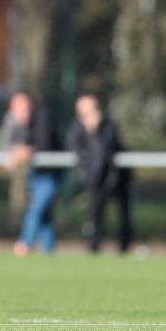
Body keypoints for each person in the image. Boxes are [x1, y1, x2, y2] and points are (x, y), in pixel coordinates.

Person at [67, 94, 133, 253]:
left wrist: (95, 132)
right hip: (95, 179)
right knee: (95, 213)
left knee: (124, 214)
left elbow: (106, 149)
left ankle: (124, 246)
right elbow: (74, 148)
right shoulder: (77, 128)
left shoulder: (108, 125)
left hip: (117, 177)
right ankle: (94, 246)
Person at [0, 92, 63, 257]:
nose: (23, 114)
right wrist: (15, 153)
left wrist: (23, 152)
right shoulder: (12, 120)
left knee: (36, 209)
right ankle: (49, 251)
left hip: (52, 171)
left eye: (26, 110)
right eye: (19, 111)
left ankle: (24, 243)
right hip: (34, 171)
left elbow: (43, 145)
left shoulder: (43, 117)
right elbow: (5, 145)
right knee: (44, 214)